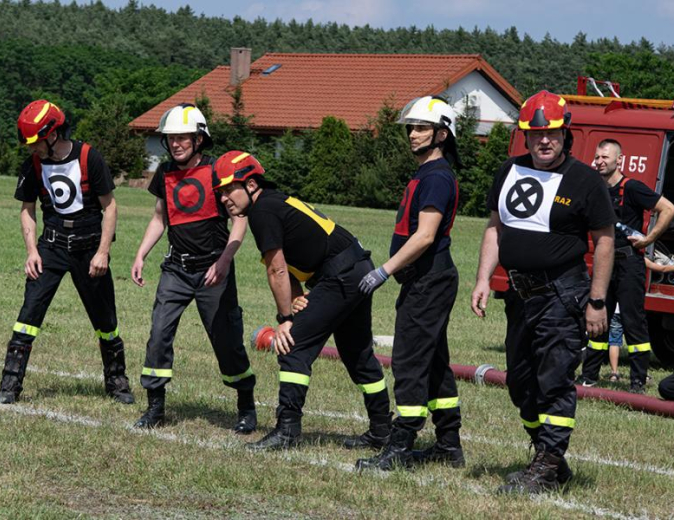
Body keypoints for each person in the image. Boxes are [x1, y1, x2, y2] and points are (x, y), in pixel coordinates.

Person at [470, 90, 616, 494]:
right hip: (519, 295)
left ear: (564, 133)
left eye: (551, 132)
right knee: (520, 383)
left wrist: (597, 300)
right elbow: (495, 227)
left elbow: (604, 242)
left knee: (554, 380)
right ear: (525, 136)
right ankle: (549, 458)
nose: (544, 141)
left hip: (562, 293)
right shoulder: (508, 171)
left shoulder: (585, 180)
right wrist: (484, 279)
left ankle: (546, 466)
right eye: (535, 134)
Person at [212, 151, 391, 451]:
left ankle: (288, 431)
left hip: (340, 274)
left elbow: (277, 268)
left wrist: (285, 322)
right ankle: (382, 429)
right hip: (355, 267)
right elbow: (290, 261)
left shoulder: (261, 212)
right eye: (220, 193)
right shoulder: (273, 203)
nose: (224, 199)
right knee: (357, 353)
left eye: (230, 189)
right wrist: (296, 298)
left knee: (292, 345)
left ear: (252, 185)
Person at [0, 99, 134, 405]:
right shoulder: (32, 165)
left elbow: (110, 206)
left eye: (36, 142)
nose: (32, 149)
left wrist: (103, 252)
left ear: (53, 133)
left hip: (89, 247)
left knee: (105, 321)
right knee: (28, 315)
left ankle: (117, 381)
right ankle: (9, 385)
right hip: (52, 247)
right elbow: (27, 209)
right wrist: (32, 250)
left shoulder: (88, 157)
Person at [130, 104, 257, 434]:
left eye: (184, 137)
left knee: (227, 341)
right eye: (171, 138)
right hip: (176, 269)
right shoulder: (165, 174)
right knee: (158, 334)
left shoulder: (218, 173)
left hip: (213, 270)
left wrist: (225, 260)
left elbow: (240, 219)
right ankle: (155, 407)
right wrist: (141, 254)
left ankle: (246, 405)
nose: (176, 144)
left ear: (199, 139)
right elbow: (160, 218)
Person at [354, 96, 464, 471]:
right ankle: (449, 446)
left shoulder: (435, 177)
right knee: (433, 362)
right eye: (411, 128)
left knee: (409, 361)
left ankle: (400, 446)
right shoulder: (426, 174)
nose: (413, 134)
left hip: (429, 279)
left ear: (442, 134)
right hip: (427, 279)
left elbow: (425, 237)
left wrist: (383, 271)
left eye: (421, 128)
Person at [577, 139, 674, 392]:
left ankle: (637, 382)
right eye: (597, 157)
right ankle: (588, 375)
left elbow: (668, 209)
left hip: (629, 262)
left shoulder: (631, 187)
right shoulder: (594, 189)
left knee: (633, 321)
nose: (599, 161)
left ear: (619, 160)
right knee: (597, 316)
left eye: (605, 157)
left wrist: (650, 239)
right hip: (603, 262)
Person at [607, 306, 623, 382]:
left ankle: (614, 373)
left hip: (616, 310)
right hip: (631, 311)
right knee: (635, 342)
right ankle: (640, 374)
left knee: (614, 342)